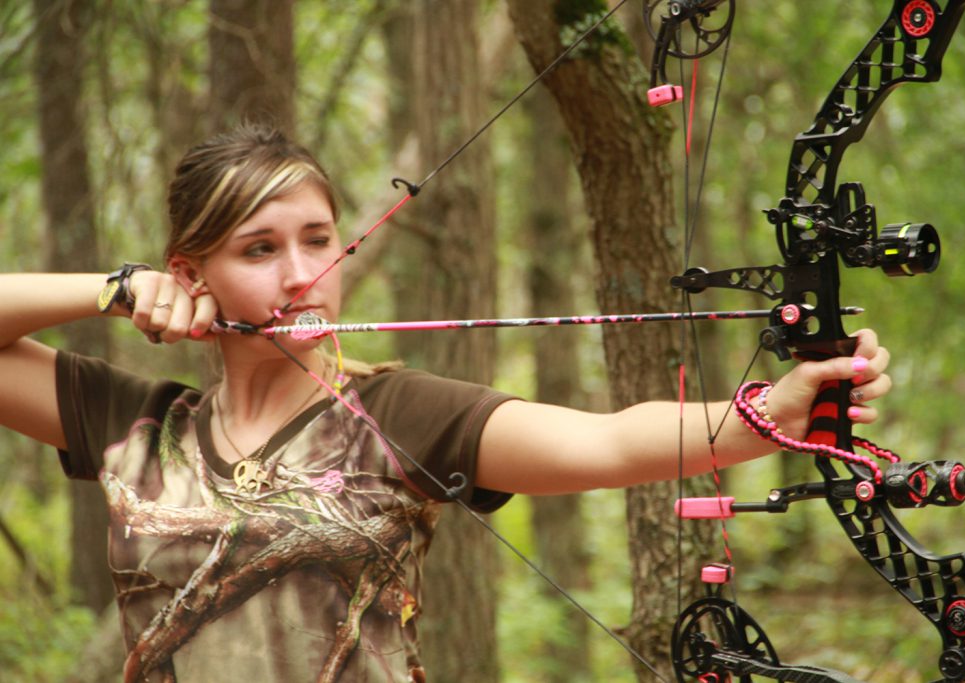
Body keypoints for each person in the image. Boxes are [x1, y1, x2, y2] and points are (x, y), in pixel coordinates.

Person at [0, 125, 891, 682]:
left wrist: (771, 410)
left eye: (319, 240)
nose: (305, 272)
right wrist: (114, 289)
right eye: (260, 248)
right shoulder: (136, 423)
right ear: (192, 273)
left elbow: (612, 442)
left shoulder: (398, 415)